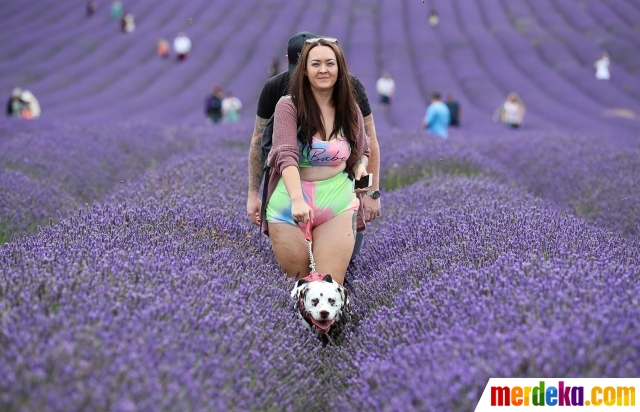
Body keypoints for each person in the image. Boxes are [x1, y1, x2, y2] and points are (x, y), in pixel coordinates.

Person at [246, 32, 382, 261]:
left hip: (338, 195)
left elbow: (367, 145)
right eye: (312, 65)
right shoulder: (276, 89)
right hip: (288, 196)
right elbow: (258, 142)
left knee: (344, 267)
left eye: (328, 63)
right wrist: (253, 194)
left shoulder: (349, 88)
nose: (320, 71)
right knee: (297, 275)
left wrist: (372, 192)